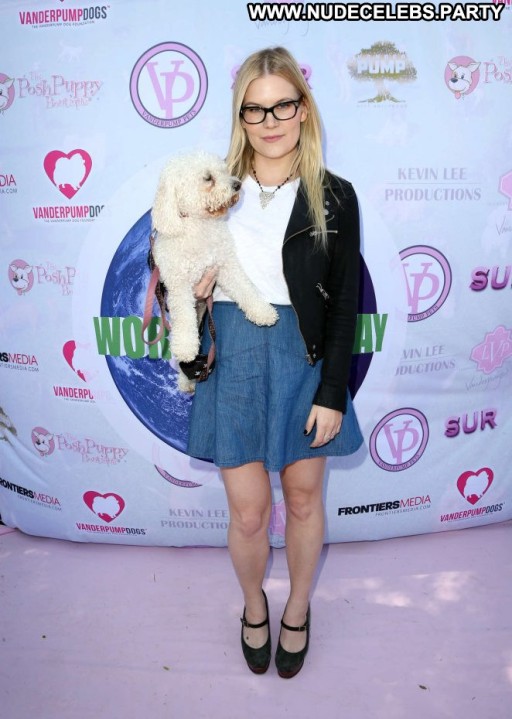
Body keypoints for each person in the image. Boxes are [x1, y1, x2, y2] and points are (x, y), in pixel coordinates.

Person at [187, 46, 363, 679]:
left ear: (303, 109)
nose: (269, 121)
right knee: (248, 512)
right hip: (233, 353)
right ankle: (254, 604)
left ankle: (299, 608)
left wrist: (332, 391)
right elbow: (179, 274)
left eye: (282, 105)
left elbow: (344, 302)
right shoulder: (213, 188)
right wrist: (194, 295)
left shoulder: (334, 196)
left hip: (302, 355)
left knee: (305, 501)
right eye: (254, 109)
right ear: (240, 116)